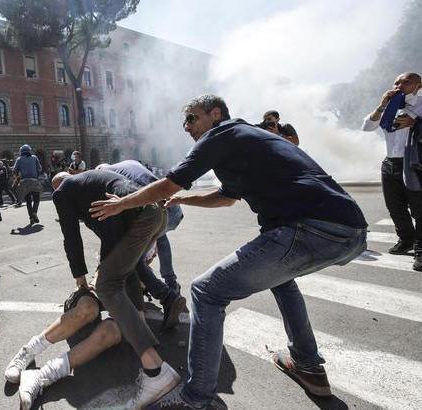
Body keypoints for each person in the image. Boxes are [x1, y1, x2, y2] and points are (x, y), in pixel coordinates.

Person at [89, 95, 368, 409]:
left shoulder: (222, 134)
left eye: (192, 118)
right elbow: (226, 197)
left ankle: (196, 400)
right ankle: (308, 365)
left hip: (309, 226)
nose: (186, 126)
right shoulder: (243, 141)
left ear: (215, 113)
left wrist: (122, 203)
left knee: (206, 290)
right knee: (281, 279)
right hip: (348, 228)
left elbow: (169, 184)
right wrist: (184, 201)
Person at [52, 169, 181, 410]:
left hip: (141, 214)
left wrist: (80, 276)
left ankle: (154, 370)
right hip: (156, 213)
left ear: (59, 184)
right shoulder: (88, 186)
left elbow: (71, 236)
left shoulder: (63, 193)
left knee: (107, 286)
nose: (55, 191)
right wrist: (106, 263)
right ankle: (139, 333)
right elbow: (111, 239)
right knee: (125, 270)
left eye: (55, 187)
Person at [5, 287, 123, 409]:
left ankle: (40, 376)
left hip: (116, 310)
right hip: (91, 299)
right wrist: (83, 279)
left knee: (112, 331)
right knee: (87, 307)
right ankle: (29, 351)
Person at [362, 72, 422, 270]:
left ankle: (420, 251)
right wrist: (382, 105)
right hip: (390, 162)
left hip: (414, 163)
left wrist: (417, 123)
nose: (400, 84)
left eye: (407, 81)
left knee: (419, 209)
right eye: (397, 81)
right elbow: (367, 127)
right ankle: (406, 239)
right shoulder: (390, 106)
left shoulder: (420, 103)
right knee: (395, 207)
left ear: (418, 85)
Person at [98, 160, 185, 292]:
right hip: (174, 208)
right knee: (160, 237)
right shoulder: (129, 163)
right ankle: (171, 282)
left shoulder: (107, 176)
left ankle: (153, 288)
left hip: (158, 210)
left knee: (136, 251)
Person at [14, 144, 43, 225]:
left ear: (21, 152)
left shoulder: (19, 159)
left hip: (24, 183)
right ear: (29, 150)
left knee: (28, 201)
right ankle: (34, 213)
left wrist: (18, 175)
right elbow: (40, 168)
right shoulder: (34, 157)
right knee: (36, 199)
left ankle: (31, 217)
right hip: (34, 181)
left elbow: (15, 171)